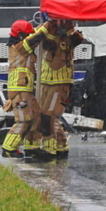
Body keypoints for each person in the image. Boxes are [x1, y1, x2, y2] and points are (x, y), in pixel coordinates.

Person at [34, 18, 84, 160]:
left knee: (48, 116)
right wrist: (48, 25)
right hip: (45, 80)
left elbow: (76, 40)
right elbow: (36, 39)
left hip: (60, 82)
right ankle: (61, 145)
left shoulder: (70, 36)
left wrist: (64, 25)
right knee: (46, 115)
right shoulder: (46, 30)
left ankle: (49, 149)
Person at [0, 19, 45, 159]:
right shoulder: (20, 47)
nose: (28, 36)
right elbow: (36, 38)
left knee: (36, 117)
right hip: (19, 89)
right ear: (21, 35)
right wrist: (48, 24)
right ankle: (8, 148)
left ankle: (32, 147)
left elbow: (35, 35)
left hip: (26, 88)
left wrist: (43, 23)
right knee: (23, 120)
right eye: (27, 34)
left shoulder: (22, 44)